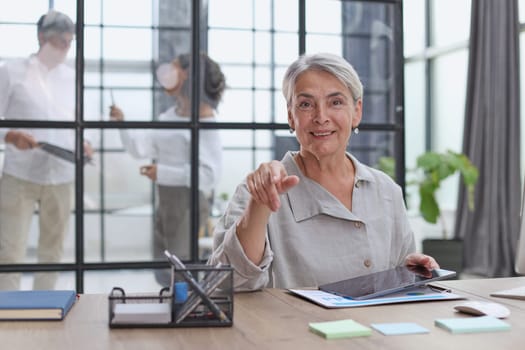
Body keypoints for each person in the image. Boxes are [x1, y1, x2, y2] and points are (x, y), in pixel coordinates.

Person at [207, 53, 439, 291]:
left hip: (376, 327)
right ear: (290, 115)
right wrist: (259, 205)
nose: (321, 117)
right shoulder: (256, 192)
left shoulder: (386, 190)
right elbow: (226, 283)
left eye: (335, 102)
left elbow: (397, 275)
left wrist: (408, 271)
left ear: (357, 111)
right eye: (306, 104)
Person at [110, 52, 226, 287]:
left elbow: (208, 176)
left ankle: (186, 315)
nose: (166, 74)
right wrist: (121, 124)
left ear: (187, 76)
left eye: (174, 69)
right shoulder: (169, 116)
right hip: (165, 200)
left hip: (188, 202)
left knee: (181, 267)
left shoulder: (205, 122)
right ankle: (171, 314)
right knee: (163, 266)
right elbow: (139, 148)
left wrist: (162, 172)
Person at [0, 10, 94, 290]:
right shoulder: (11, 71)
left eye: (69, 41)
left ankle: (44, 308)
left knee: (52, 251)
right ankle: (7, 312)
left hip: (62, 176)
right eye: (59, 41)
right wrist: (10, 135)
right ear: (42, 37)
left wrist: (85, 143)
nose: (65, 47)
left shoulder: (71, 77)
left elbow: (78, 122)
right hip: (20, 174)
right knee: (10, 248)